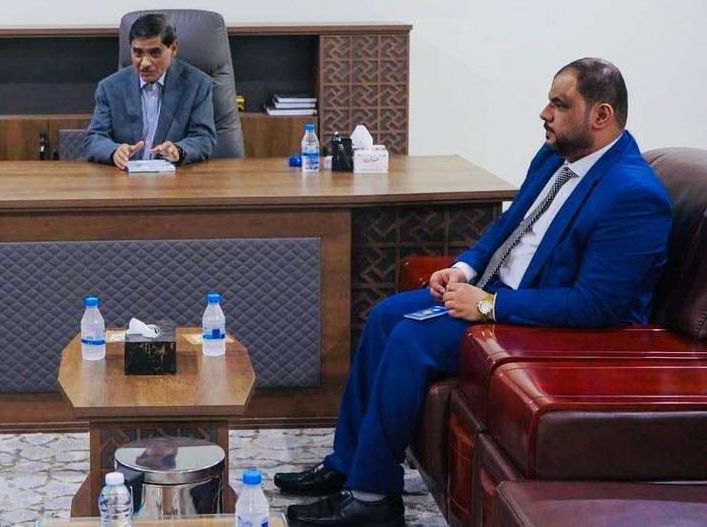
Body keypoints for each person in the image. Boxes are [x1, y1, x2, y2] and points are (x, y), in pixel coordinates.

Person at [275, 58, 672, 526]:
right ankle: (346, 464)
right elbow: (509, 225)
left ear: (601, 115)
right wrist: (462, 269)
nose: (544, 113)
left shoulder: (633, 194)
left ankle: (372, 498)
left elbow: (598, 305)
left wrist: (488, 305)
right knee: (385, 316)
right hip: (498, 289)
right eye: (548, 101)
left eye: (560, 104)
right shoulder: (556, 156)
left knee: (411, 339)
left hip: (548, 324)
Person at [83, 13, 217, 169]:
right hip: (125, 179)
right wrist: (114, 152)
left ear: (173, 49)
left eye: (155, 53)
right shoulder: (110, 87)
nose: (145, 63)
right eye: (138, 53)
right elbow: (94, 139)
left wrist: (178, 150)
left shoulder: (197, 84)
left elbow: (204, 138)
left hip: (174, 179)